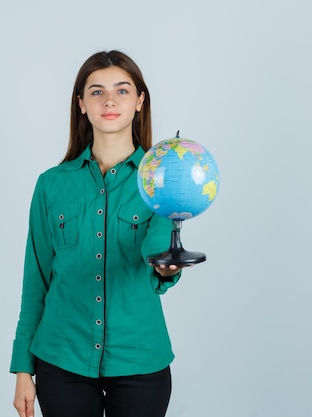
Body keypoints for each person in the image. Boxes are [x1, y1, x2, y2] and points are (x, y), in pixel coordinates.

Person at [10, 50, 189, 417]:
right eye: (96, 91)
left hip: (140, 358)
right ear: (81, 104)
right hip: (62, 358)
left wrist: (166, 268)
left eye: (122, 90)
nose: (109, 100)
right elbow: (37, 281)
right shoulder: (51, 185)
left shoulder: (160, 181)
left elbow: (159, 246)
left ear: (140, 101)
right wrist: (23, 368)